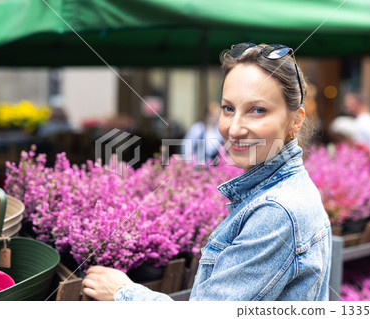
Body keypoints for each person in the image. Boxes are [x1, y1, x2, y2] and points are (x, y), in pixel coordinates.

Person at [82, 42, 332, 301]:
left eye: (258, 110)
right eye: (229, 109)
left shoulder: (276, 211)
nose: (234, 129)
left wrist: (123, 293)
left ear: (296, 120)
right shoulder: (287, 190)